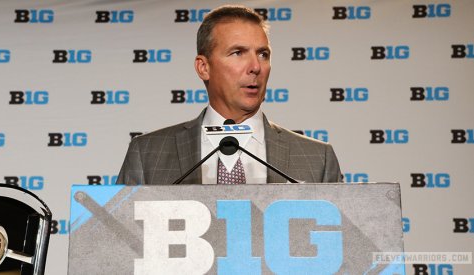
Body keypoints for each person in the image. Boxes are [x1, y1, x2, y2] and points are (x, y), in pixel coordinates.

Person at [117, 5, 342, 185]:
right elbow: (118, 238)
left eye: (263, 54)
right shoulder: (147, 154)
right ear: (203, 67)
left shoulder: (317, 159)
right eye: (238, 53)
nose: (255, 66)